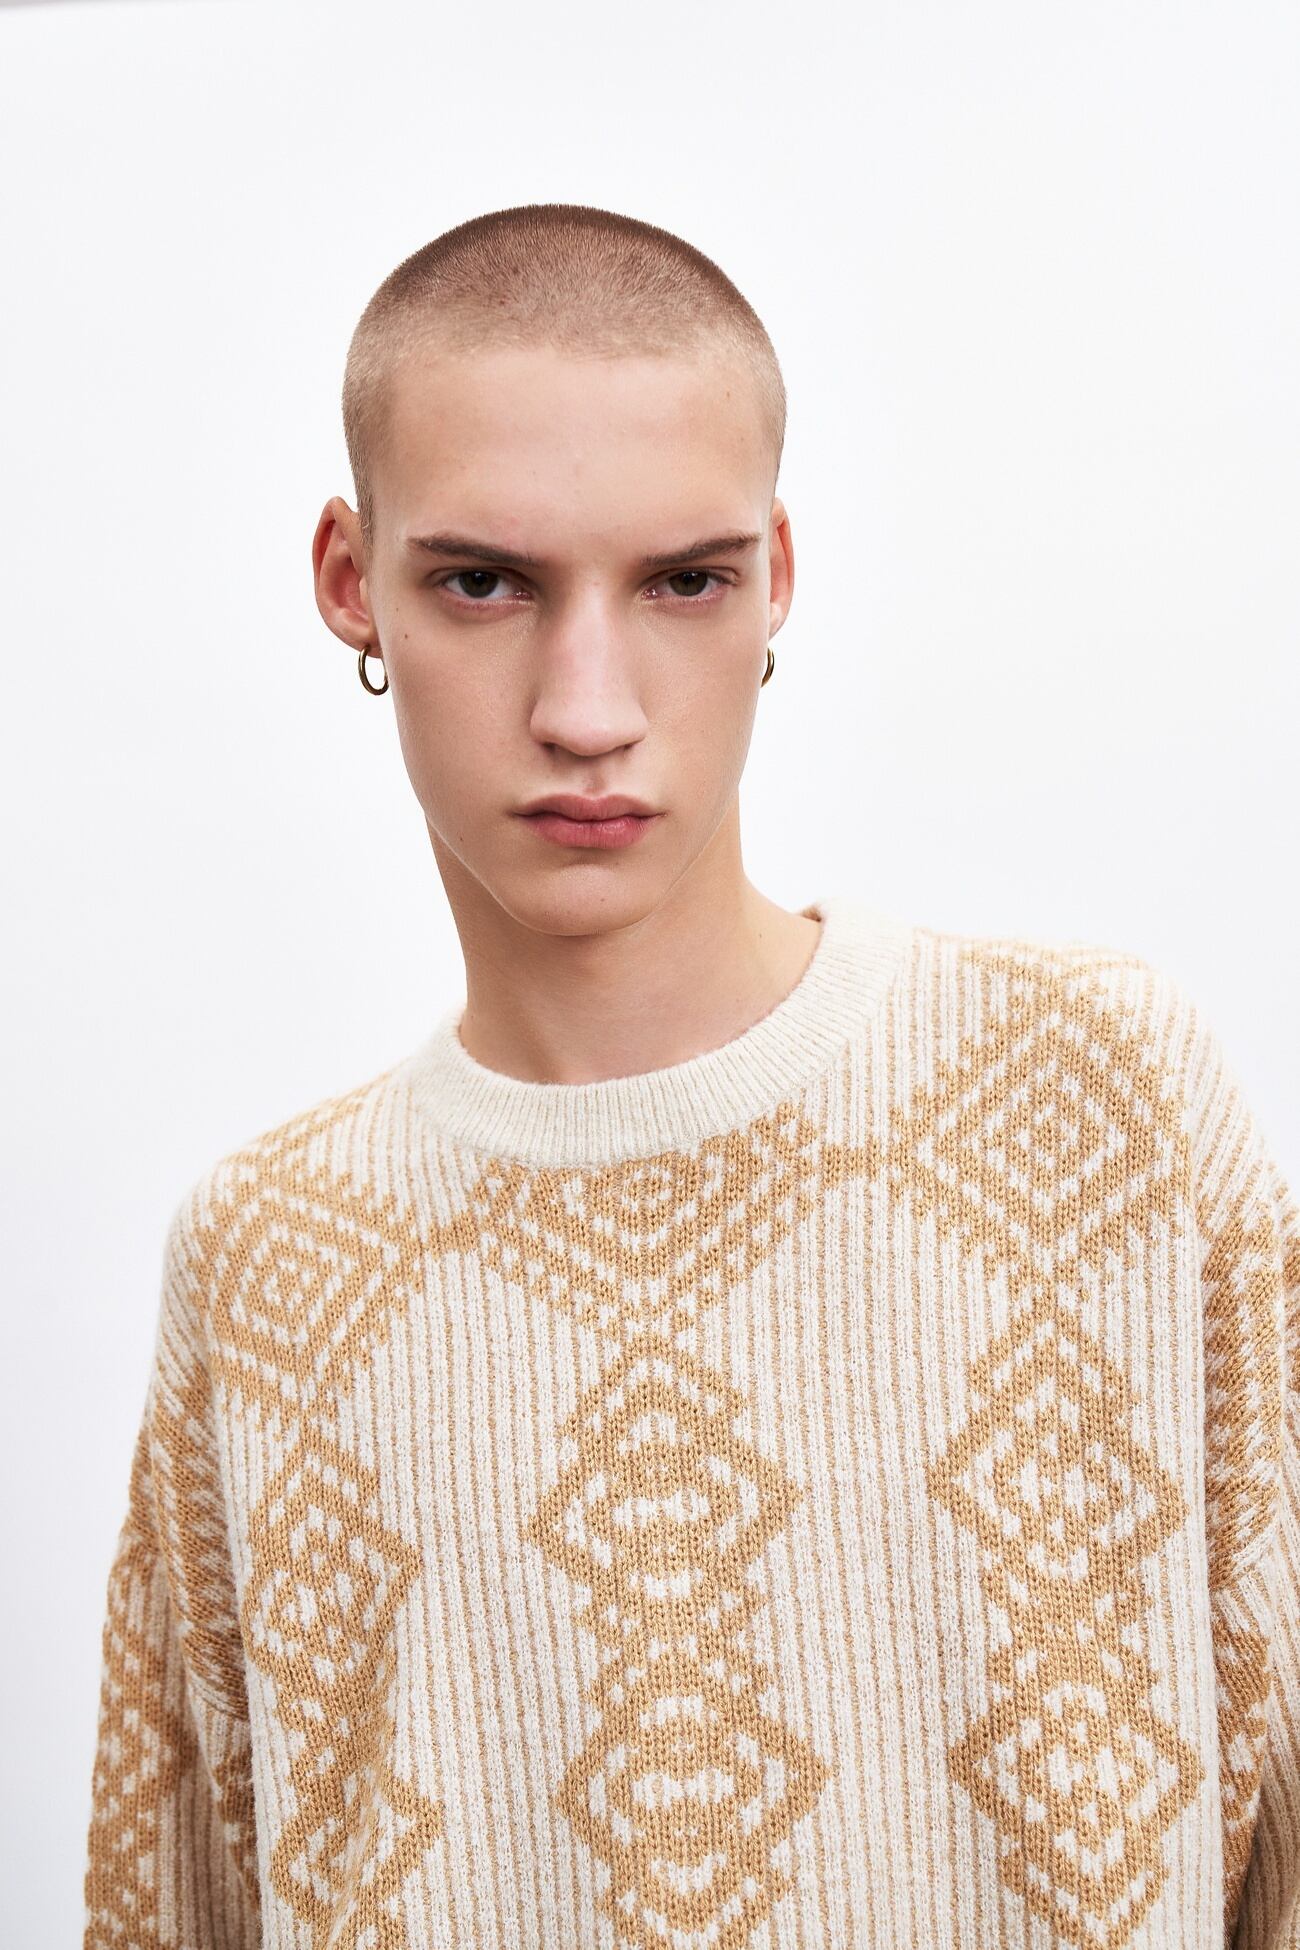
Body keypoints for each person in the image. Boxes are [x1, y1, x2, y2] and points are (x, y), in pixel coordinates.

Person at [82, 203, 1299, 1950]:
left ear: (776, 574)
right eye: (484, 582)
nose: (589, 710)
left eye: (683, 581)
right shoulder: (267, 1256)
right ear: (352, 580)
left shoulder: (1106, 1097)